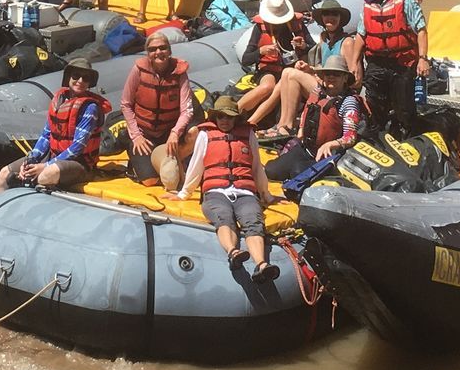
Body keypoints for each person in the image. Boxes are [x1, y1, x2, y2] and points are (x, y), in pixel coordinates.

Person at [173, 95, 278, 282]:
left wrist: (266, 194)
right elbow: (196, 166)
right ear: (215, 117)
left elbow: (256, 167)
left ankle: (262, 265)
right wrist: (184, 193)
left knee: (253, 222)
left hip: (245, 192)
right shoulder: (205, 135)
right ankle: (233, 252)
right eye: (221, 116)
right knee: (223, 218)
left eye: (229, 117)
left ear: (236, 118)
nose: (225, 121)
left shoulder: (248, 135)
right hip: (215, 192)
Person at [0, 60, 108, 199]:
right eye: (76, 76)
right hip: (54, 157)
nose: (80, 81)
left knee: (46, 175)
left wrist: (44, 166)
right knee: (4, 173)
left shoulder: (90, 108)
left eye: (85, 78)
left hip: (80, 163)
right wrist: (31, 160)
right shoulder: (59, 101)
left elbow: (77, 148)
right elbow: (46, 135)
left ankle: (26, 195)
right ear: (68, 77)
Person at [249, 0, 356, 136]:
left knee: (290, 74)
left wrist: (334, 83)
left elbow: (355, 77)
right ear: (322, 18)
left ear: (340, 18)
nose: (330, 18)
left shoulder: (347, 42)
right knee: (288, 72)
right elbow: (321, 66)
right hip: (324, 84)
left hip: (336, 91)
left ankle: (284, 126)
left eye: (334, 14)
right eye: (326, 14)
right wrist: (309, 69)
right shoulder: (324, 38)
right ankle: (282, 125)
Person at [263, 53, 363, 183]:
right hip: (306, 148)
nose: (331, 77)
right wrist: (301, 129)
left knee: (297, 174)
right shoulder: (318, 92)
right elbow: (307, 111)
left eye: (336, 74)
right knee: (271, 171)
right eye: (328, 74)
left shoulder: (348, 102)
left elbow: (350, 137)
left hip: (328, 156)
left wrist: (330, 144)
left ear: (345, 78)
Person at [358, 0, 429, 136]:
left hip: (401, 64)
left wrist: (423, 59)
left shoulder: (406, 0)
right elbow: (360, 35)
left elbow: (421, 30)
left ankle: (408, 139)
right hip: (376, 64)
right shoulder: (368, 4)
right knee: (374, 107)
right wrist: (354, 65)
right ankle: (379, 140)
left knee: (404, 110)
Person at [119, 29, 196, 189]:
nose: (158, 52)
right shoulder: (138, 70)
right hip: (144, 134)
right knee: (150, 181)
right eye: (153, 49)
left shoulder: (180, 73)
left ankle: (173, 158)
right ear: (147, 53)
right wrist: (136, 136)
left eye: (162, 48)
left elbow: (187, 110)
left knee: (194, 132)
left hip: (168, 132)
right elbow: (126, 104)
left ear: (169, 50)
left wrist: (175, 133)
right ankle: (145, 162)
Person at [234, 0, 311, 123]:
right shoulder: (260, 28)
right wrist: (261, 51)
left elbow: (313, 48)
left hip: (292, 70)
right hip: (269, 70)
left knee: (280, 85)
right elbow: (246, 59)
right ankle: (232, 112)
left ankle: (251, 122)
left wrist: (304, 46)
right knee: (267, 87)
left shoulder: (297, 25)